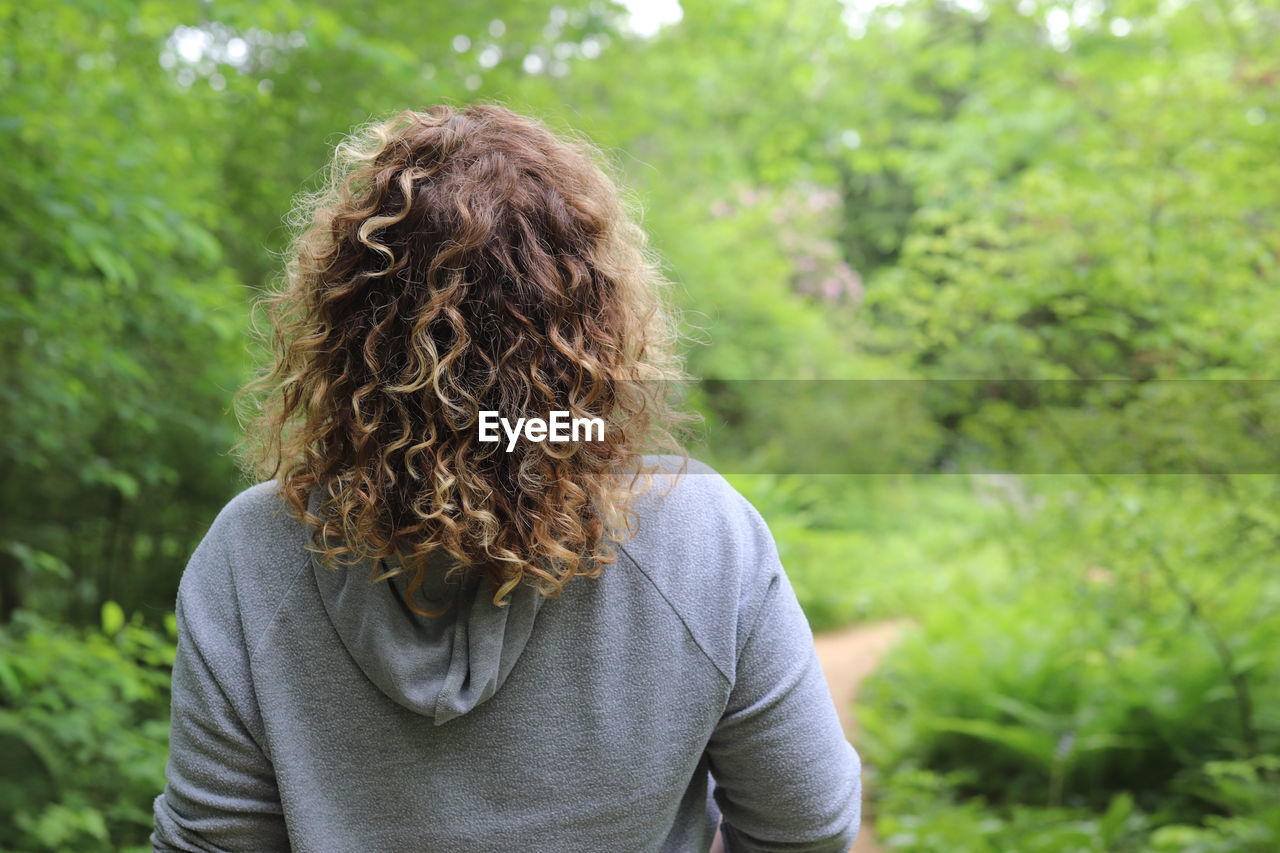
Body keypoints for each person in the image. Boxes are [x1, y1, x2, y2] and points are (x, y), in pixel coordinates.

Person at [150, 102, 861, 852]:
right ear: (597, 328)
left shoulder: (252, 555)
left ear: (345, 330)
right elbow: (806, 828)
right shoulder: (702, 537)